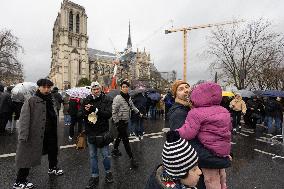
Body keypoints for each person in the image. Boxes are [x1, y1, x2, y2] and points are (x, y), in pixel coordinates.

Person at [177, 82, 231, 189]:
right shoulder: (224, 110)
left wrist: (176, 132)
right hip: (223, 149)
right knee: (221, 174)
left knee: (210, 179)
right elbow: (228, 129)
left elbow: (188, 133)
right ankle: (223, 186)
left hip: (209, 150)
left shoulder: (196, 112)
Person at [13, 79, 63, 189]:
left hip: (51, 132)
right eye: (44, 87)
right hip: (35, 134)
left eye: (48, 87)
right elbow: (24, 119)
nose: (46, 89)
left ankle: (52, 167)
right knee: (27, 156)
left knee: (53, 150)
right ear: (39, 87)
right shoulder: (31, 100)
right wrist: (23, 135)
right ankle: (19, 181)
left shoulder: (51, 99)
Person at [79, 81, 114, 188]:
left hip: (102, 132)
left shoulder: (106, 99)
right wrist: (85, 112)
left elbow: (108, 114)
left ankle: (108, 173)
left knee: (105, 155)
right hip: (90, 132)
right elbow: (79, 114)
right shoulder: (86, 100)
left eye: (97, 89)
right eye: (94, 89)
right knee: (93, 156)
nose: (96, 91)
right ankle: (94, 176)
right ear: (91, 90)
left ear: (100, 89)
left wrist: (96, 110)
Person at [111, 79, 141, 168]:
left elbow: (132, 106)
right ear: (121, 88)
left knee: (120, 136)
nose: (125, 88)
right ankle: (132, 158)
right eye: (123, 87)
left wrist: (139, 113)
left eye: (126, 87)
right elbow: (114, 111)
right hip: (120, 122)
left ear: (128, 88)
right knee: (125, 140)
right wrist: (116, 122)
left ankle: (115, 149)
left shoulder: (128, 97)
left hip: (126, 120)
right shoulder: (118, 98)